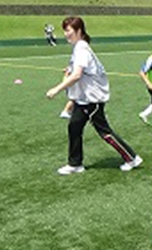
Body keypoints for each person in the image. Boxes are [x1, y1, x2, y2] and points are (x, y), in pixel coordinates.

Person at [46, 16, 142, 175]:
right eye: (64, 30)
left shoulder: (81, 48)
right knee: (74, 127)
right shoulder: (79, 48)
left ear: (78, 31)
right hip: (84, 99)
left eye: (68, 30)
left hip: (92, 99)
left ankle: (132, 158)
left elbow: (77, 75)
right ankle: (75, 164)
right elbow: (77, 71)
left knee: (104, 131)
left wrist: (56, 89)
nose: (65, 34)